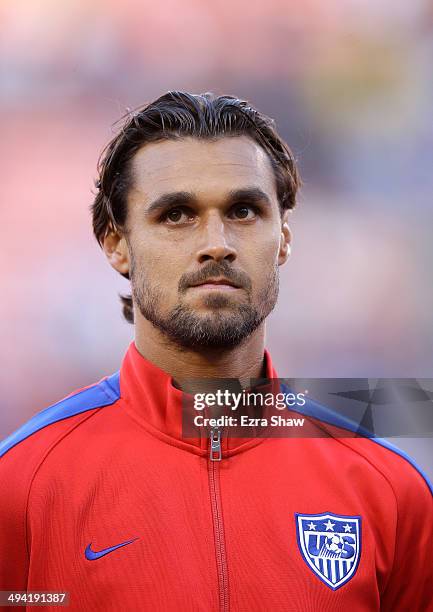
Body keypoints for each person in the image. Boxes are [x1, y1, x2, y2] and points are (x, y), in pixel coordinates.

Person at [0, 91, 431, 611]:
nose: (217, 242)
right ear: (116, 243)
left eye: (243, 210)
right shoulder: (23, 484)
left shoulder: (389, 487)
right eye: (177, 214)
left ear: (285, 239)